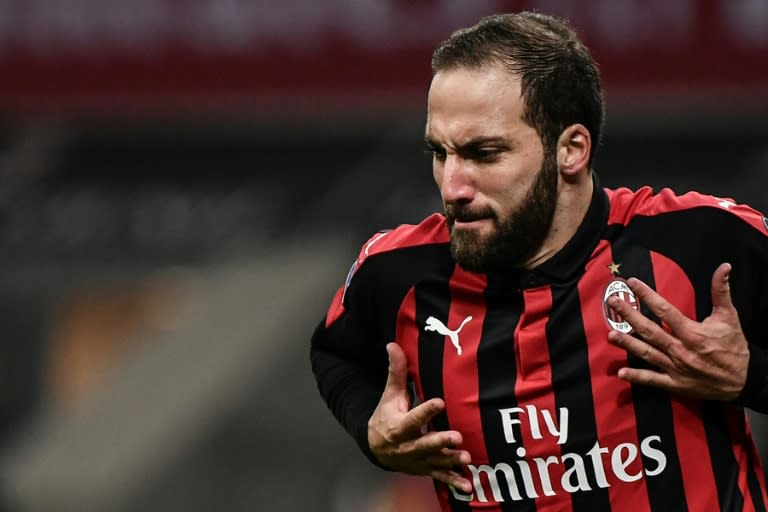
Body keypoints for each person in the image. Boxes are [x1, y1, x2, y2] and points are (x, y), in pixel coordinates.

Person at [310, 11, 768, 511]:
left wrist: (750, 378)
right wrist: (371, 432)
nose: (452, 186)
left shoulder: (697, 242)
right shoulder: (397, 271)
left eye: (484, 153)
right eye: (440, 153)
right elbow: (336, 355)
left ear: (570, 149)